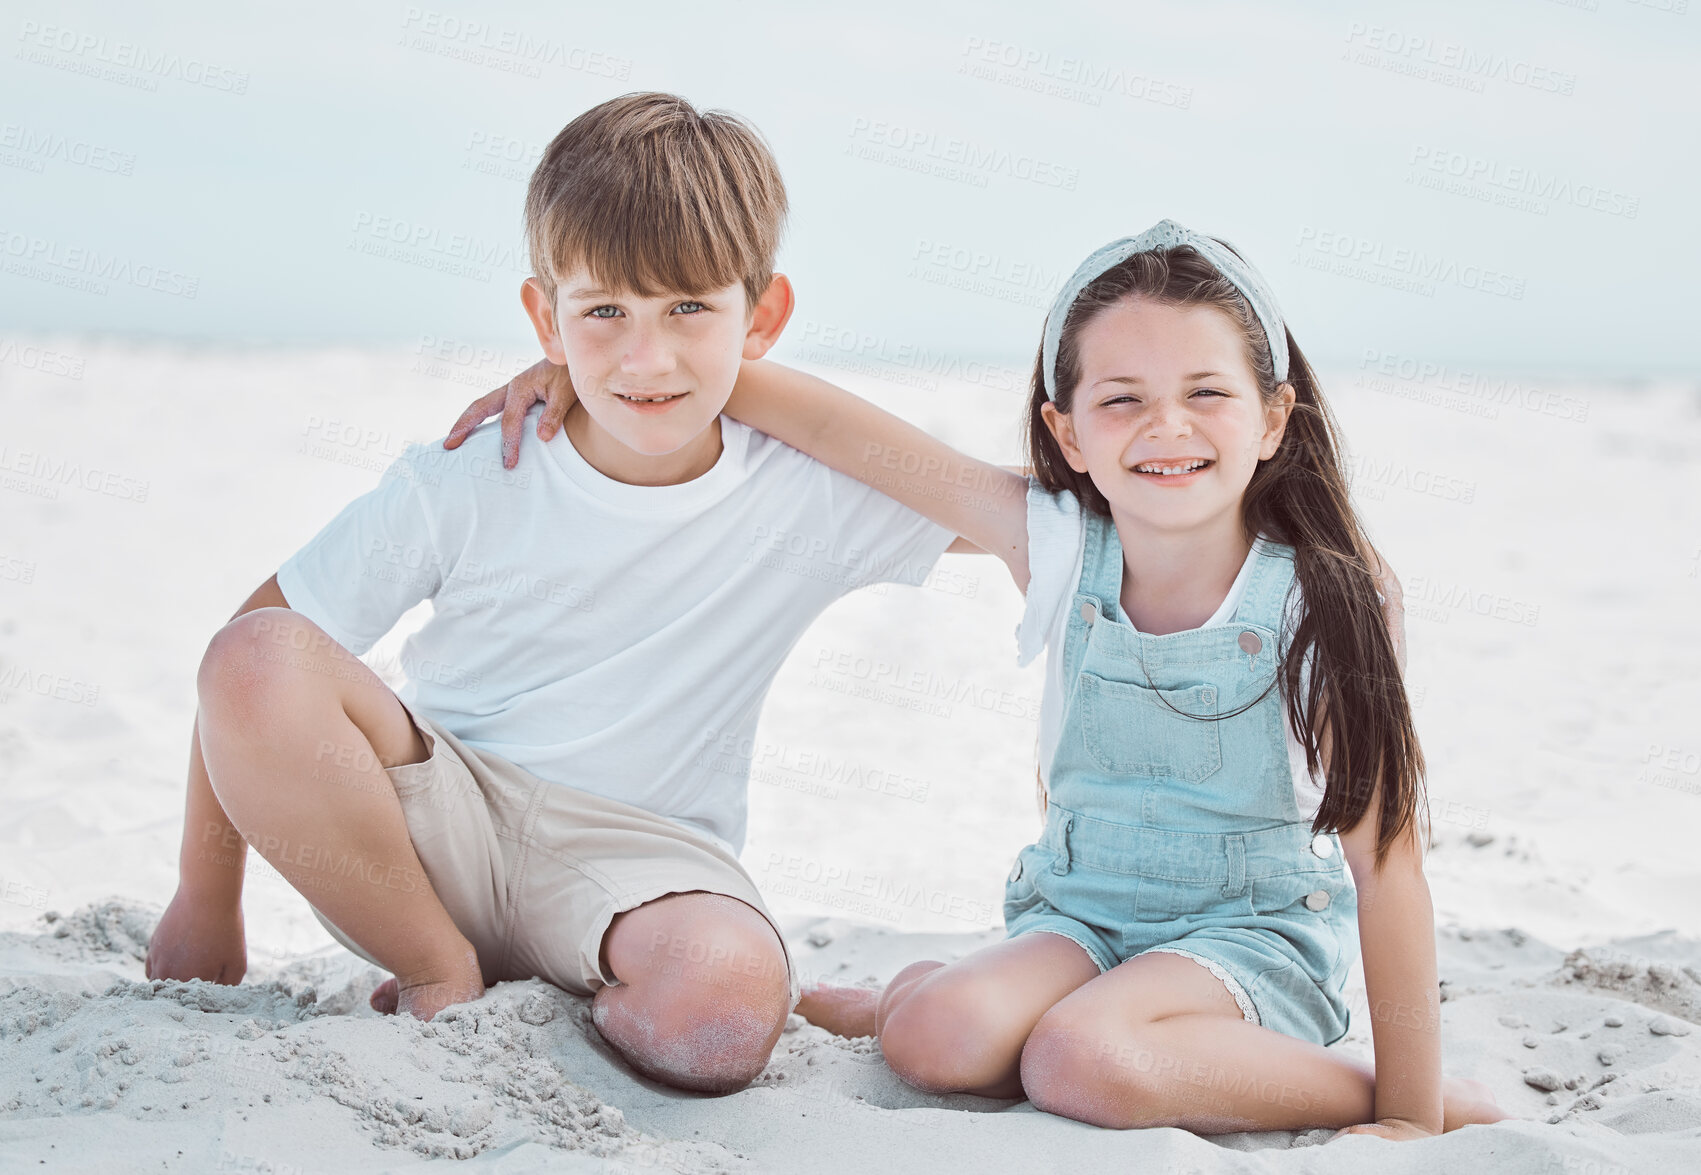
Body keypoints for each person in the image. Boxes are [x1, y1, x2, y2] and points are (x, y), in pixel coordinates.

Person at [460, 219, 1507, 1137]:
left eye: (1206, 393)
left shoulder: (1324, 603)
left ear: (1274, 418)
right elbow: (849, 437)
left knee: (1079, 1059)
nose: (1166, 426)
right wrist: (604, 374)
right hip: (1082, 917)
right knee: (932, 1038)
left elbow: (1390, 866)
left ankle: (1361, 1086)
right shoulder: (1057, 543)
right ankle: (909, 993)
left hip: (1250, 942)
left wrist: (1413, 1114)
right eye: (1122, 397)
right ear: (1066, 431)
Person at [142, 92, 960, 1095]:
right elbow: (252, 650)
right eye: (603, 310)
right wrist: (206, 893)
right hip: (432, 825)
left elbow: (1020, 509)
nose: (644, 356)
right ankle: (442, 969)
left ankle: (667, 988)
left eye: (690, 307)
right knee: (258, 654)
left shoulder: (807, 493)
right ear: (546, 316)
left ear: (766, 315)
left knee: (722, 1010)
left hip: (644, 865)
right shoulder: (475, 471)